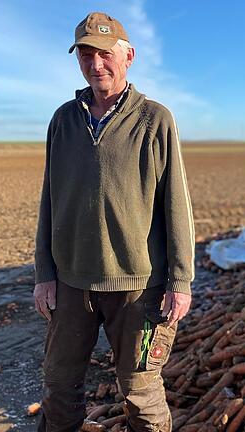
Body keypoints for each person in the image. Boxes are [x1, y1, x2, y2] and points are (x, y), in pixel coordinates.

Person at [32, 11, 194, 432]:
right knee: (59, 388)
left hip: (137, 285)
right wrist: (44, 273)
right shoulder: (63, 120)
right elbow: (50, 200)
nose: (96, 64)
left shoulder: (154, 120)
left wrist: (180, 280)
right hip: (70, 283)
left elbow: (176, 202)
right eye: (86, 54)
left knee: (140, 393)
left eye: (105, 53)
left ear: (128, 56)